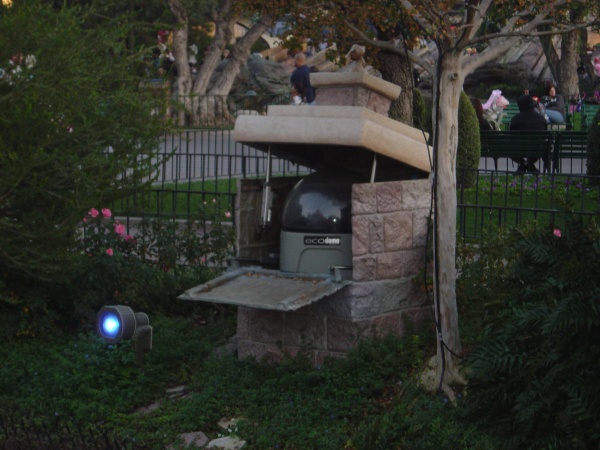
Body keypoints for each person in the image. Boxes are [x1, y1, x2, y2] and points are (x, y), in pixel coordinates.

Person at [509, 94, 548, 173]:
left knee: (510, 147)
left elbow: (511, 136)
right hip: (538, 149)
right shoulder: (541, 119)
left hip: (519, 149)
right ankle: (530, 166)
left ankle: (524, 165)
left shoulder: (516, 119)